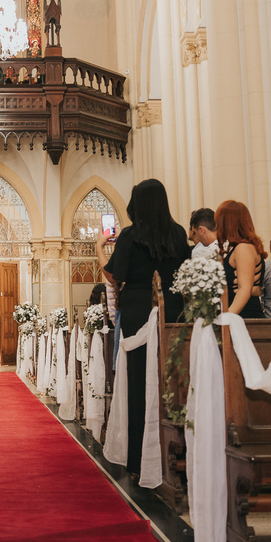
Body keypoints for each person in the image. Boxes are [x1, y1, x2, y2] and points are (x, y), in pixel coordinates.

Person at [96, 179, 190, 478]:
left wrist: (100, 249)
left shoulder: (129, 236)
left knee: (138, 385)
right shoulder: (177, 234)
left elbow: (114, 276)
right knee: (173, 380)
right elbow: (184, 272)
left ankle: (139, 462)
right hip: (173, 311)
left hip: (138, 312)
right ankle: (177, 456)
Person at [216, 200, 267, 319]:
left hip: (244, 315)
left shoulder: (243, 248)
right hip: (241, 313)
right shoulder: (243, 247)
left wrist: (226, 318)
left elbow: (244, 289)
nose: (217, 226)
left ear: (228, 223)